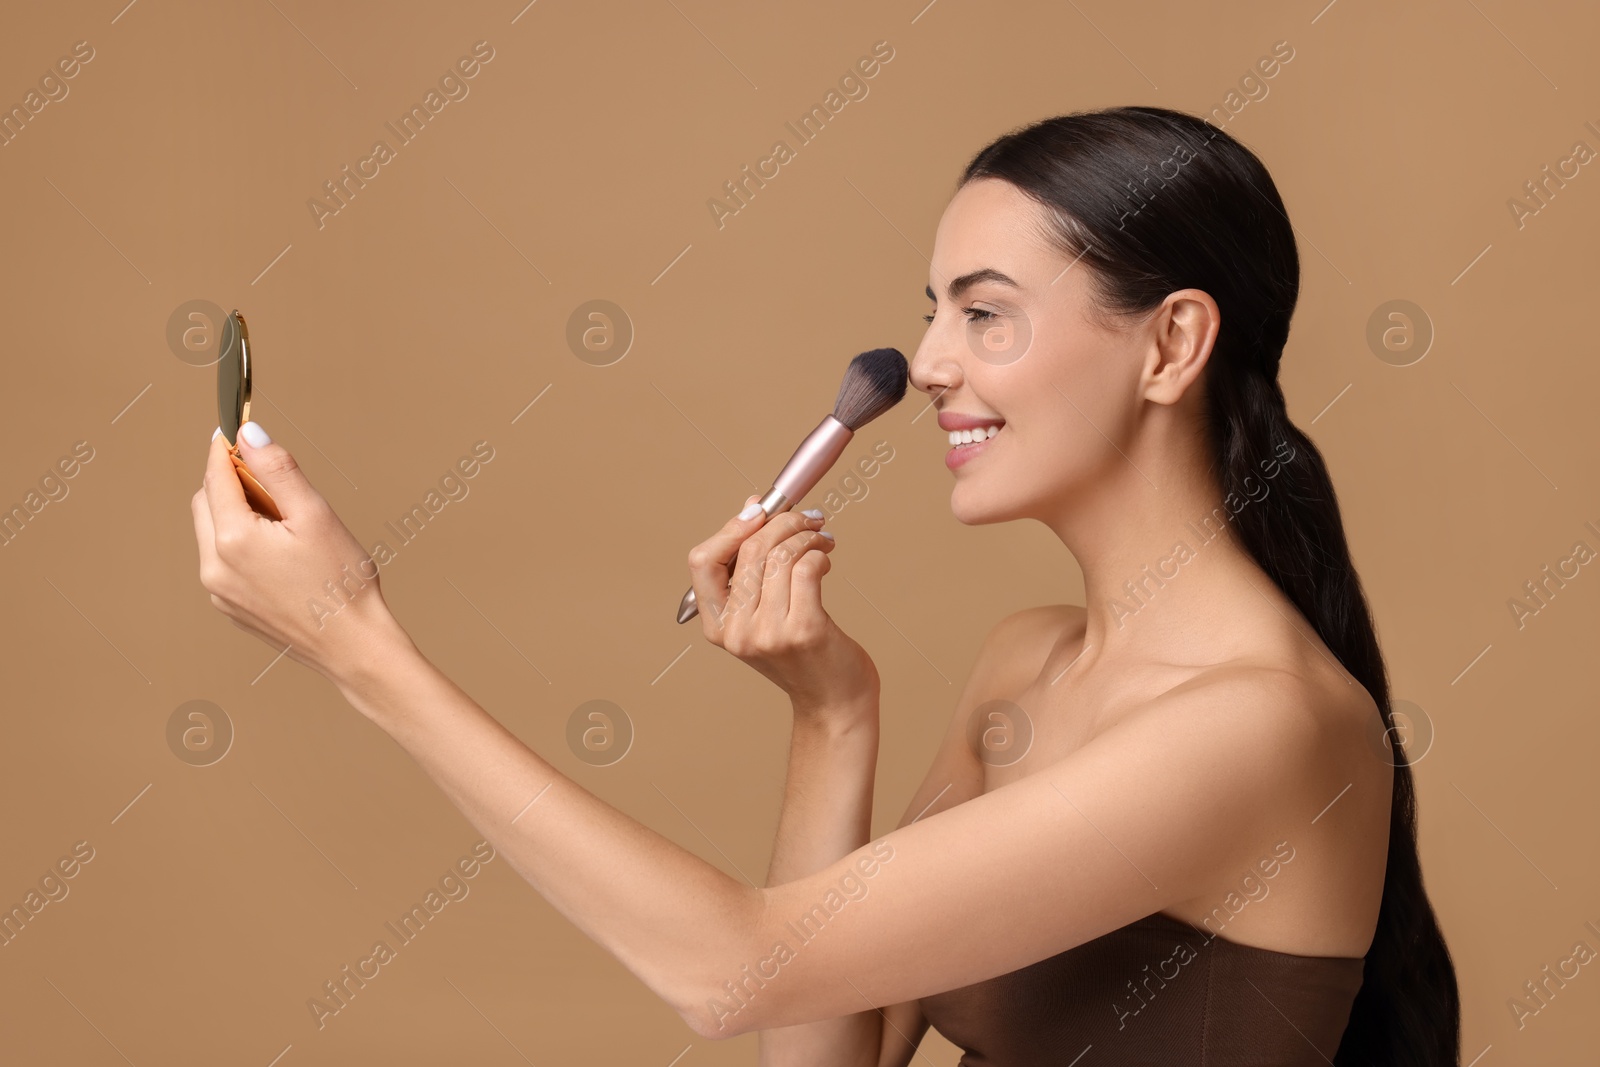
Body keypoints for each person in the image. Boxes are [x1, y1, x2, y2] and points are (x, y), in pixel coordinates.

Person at [192, 105, 1459, 1065]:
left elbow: (726, 970)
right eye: (930, 314)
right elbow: (810, 1039)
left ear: (1172, 342)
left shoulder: (1265, 724)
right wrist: (829, 714)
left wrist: (359, 642)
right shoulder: (1029, 663)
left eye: (986, 314)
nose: (927, 364)